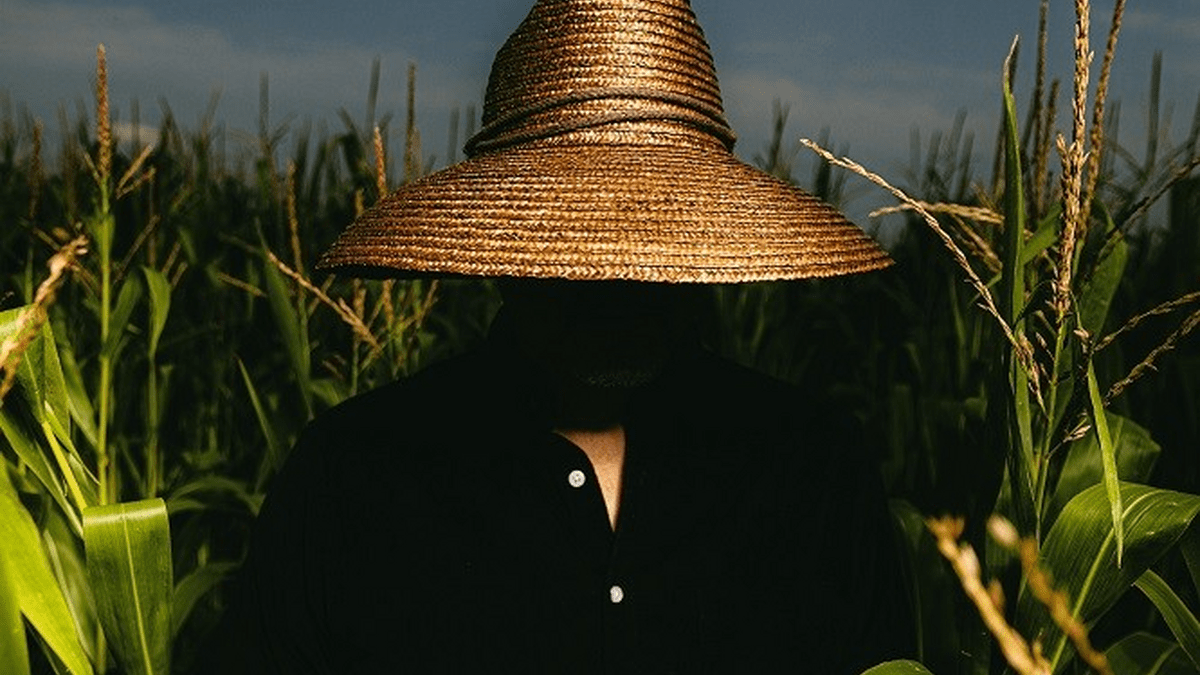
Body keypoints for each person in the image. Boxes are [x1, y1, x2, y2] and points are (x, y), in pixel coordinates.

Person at [211, 0, 912, 672]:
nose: (617, 276)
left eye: (655, 230)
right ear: (497, 242)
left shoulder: (816, 470)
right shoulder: (351, 474)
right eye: (576, 236)